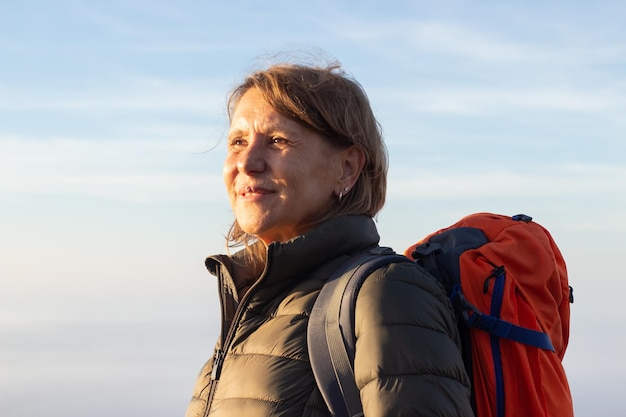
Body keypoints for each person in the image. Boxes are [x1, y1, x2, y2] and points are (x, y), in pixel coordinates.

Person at [185, 58, 474, 417]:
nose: (247, 162)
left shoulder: (386, 294)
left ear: (347, 168)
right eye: (238, 142)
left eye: (276, 140)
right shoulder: (256, 305)